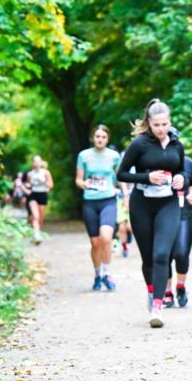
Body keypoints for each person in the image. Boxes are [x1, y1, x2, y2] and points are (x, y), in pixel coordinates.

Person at [117, 99, 186, 328]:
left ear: (170, 122)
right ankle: (151, 291)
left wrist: (181, 178)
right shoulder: (139, 144)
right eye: (156, 125)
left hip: (168, 204)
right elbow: (122, 174)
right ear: (149, 123)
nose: (161, 129)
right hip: (142, 205)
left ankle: (157, 305)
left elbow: (182, 169)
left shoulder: (177, 144)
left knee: (161, 254)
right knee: (148, 258)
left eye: (165, 124)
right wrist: (146, 177)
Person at [76, 124, 122, 291]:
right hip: (90, 201)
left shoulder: (114, 156)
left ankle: (107, 273)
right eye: (97, 137)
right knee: (95, 243)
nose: (100, 139)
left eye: (103, 137)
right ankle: (97, 274)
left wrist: (125, 195)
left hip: (108, 200)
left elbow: (121, 176)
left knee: (106, 237)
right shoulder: (84, 155)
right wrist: (84, 184)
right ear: (93, 138)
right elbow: (78, 179)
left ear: (107, 139)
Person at [164, 156, 192, 308]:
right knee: (164, 255)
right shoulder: (154, 160)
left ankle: (180, 287)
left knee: (182, 253)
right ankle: (167, 292)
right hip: (162, 213)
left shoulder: (188, 162)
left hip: (183, 213)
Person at [26, 156, 53, 244]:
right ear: (33, 163)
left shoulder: (45, 173)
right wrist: (27, 187)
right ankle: (36, 235)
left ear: (41, 162)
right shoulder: (30, 174)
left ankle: (37, 233)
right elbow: (29, 185)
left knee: (40, 218)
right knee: (35, 216)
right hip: (33, 195)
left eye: (38, 161)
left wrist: (44, 182)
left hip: (42, 195)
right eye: (35, 161)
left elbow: (51, 185)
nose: (37, 163)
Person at [116, 181, 133, 258]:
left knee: (130, 227)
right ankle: (125, 247)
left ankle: (129, 236)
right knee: (121, 228)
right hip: (120, 198)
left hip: (134, 198)